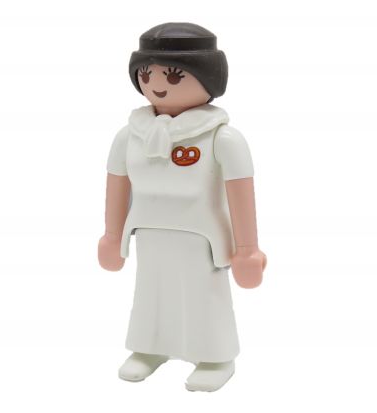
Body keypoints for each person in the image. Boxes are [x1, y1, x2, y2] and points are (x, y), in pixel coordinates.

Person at [98, 22, 267, 392]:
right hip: (149, 230)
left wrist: (247, 249)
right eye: (146, 73)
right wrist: (111, 236)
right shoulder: (131, 135)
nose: (157, 84)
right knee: (151, 293)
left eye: (174, 76)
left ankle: (215, 356)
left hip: (201, 236)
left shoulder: (222, 138)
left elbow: (240, 193)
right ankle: (149, 348)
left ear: (209, 76)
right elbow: (117, 184)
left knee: (203, 296)